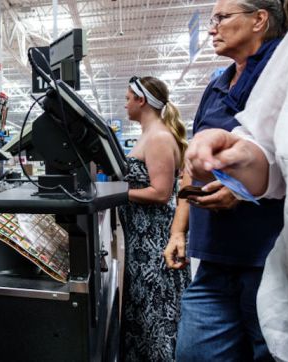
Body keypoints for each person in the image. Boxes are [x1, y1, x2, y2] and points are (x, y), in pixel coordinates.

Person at [162, 0, 288, 360]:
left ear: (259, 20)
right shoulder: (218, 85)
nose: (211, 28)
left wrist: (241, 188)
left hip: (268, 260)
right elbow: (191, 166)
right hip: (214, 258)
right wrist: (178, 231)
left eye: (222, 17)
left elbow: (286, 157)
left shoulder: (286, 75)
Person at [117, 76, 190, 361]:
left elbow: (161, 192)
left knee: (158, 318)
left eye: (127, 98)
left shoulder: (159, 137)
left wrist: (119, 193)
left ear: (141, 100)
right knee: (145, 318)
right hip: (141, 245)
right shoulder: (149, 135)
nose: (125, 104)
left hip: (155, 244)